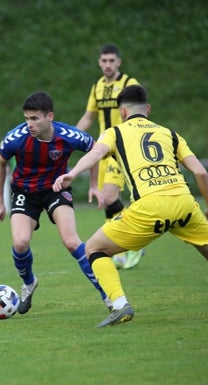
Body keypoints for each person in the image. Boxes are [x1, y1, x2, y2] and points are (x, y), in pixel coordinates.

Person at [53, 85, 208, 327]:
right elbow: (201, 172)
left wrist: (74, 173)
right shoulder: (170, 134)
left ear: (122, 112)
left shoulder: (115, 132)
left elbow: (95, 153)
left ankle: (120, 305)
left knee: (94, 248)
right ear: (148, 109)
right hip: (184, 202)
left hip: (150, 206)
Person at [0, 91, 112, 314]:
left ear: (50, 117)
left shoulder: (69, 135)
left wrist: (94, 184)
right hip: (24, 192)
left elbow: (95, 150)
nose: (29, 124)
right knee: (20, 243)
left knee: (72, 241)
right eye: (27, 118)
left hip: (56, 189)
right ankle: (29, 283)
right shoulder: (15, 137)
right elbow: (0, 161)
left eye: (35, 118)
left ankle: (109, 295)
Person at [76, 43, 144, 269]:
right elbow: (88, 117)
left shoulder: (128, 84)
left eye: (111, 61)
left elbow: (139, 112)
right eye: (104, 61)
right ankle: (120, 250)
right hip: (103, 149)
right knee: (105, 201)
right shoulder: (97, 87)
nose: (107, 65)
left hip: (121, 148)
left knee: (107, 196)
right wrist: (71, 138)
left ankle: (136, 242)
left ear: (119, 62)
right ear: (99, 63)